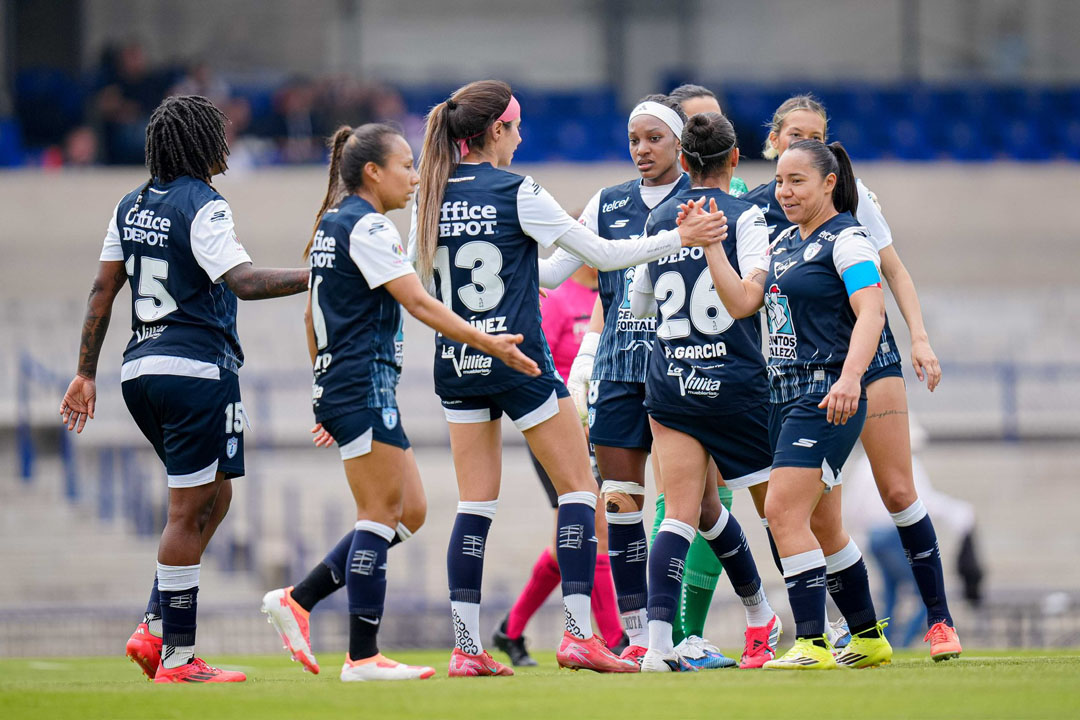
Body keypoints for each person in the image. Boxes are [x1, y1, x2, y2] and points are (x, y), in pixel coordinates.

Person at [410, 80, 727, 676]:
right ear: (496, 130)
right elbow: (602, 257)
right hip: (520, 360)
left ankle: (466, 647)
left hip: (456, 360)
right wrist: (678, 238)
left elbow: (420, 280)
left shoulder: (430, 195)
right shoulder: (518, 189)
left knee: (474, 504)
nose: (520, 137)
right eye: (516, 127)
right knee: (580, 491)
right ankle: (580, 634)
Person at [259, 123, 538, 682]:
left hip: (354, 386)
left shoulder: (332, 224)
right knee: (379, 515)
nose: (415, 178)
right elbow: (419, 303)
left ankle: (299, 598)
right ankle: (362, 656)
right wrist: (488, 342)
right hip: (362, 384)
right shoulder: (368, 227)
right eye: (405, 166)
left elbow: (312, 314)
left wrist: (323, 386)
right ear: (372, 172)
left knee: (409, 512)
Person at [59, 95, 311, 683]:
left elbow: (102, 291)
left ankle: (154, 624)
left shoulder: (129, 204)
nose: (226, 146)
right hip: (195, 369)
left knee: (213, 497)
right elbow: (244, 282)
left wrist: (85, 372)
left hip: (139, 371)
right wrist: (322, 273)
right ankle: (177, 656)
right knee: (187, 508)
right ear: (200, 145)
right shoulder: (205, 204)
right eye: (219, 137)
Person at [743, 95, 962, 661]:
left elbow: (891, 274)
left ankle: (939, 620)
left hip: (861, 359)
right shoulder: (762, 209)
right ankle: (861, 632)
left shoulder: (850, 201)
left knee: (897, 490)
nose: (802, 145)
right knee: (820, 517)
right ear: (773, 140)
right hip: (798, 370)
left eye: (813, 138)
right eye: (793, 135)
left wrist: (919, 337)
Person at [539, 94, 738, 669]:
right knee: (621, 505)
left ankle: (754, 615)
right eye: (634, 140)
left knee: (702, 507)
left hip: (680, 369)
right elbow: (554, 272)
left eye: (654, 138)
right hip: (618, 373)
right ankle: (639, 637)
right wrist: (510, 250)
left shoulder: (702, 203)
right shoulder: (606, 202)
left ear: (680, 143)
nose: (642, 149)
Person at [705, 139, 892, 670]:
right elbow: (744, 303)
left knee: (782, 511)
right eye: (780, 182)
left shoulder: (849, 241)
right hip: (782, 396)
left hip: (825, 394)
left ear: (829, 183)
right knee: (824, 526)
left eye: (797, 181)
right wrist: (713, 248)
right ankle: (868, 638)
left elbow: (872, 312)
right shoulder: (784, 241)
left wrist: (851, 378)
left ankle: (811, 642)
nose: (783, 192)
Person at [630, 112, 781, 671]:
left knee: (680, 514)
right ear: (735, 158)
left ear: (684, 160)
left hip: (674, 382)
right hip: (737, 385)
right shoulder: (747, 216)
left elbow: (640, 304)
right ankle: (817, 630)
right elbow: (754, 296)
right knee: (783, 515)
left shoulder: (660, 219)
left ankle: (657, 647)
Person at [491, 264, 627, 666]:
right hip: (557, 430)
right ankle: (615, 639)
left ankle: (510, 631)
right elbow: (534, 364)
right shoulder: (558, 298)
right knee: (596, 527)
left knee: (565, 542)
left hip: (599, 429)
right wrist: (570, 420)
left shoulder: (607, 296)